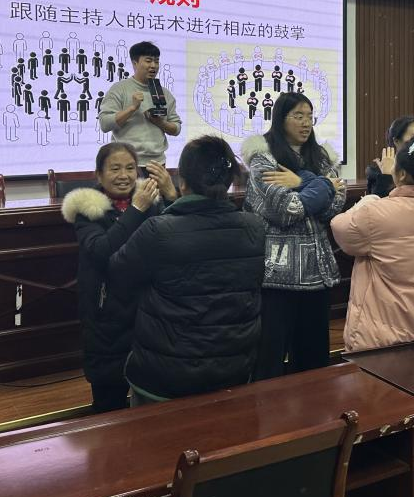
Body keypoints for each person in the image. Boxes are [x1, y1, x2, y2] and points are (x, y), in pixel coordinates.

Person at [109, 137, 266, 405]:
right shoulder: (254, 227)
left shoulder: (158, 231)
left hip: (164, 377)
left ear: (182, 182)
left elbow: (118, 275)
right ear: (228, 181)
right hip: (233, 370)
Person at [61, 143, 176, 413]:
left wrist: (171, 196)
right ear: (99, 175)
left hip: (147, 314)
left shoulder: (151, 202)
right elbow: (101, 251)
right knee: (109, 403)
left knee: (150, 402)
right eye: (115, 169)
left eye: (130, 168)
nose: (124, 175)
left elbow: (176, 236)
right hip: (106, 318)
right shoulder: (88, 209)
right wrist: (136, 209)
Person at [242, 93, 346, 379]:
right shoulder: (263, 159)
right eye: (298, 116)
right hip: (278, 275)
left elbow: (336, 204)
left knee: (314, 363)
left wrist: (301, 182)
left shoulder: (321, 156)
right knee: (270, 360)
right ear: (280, 118)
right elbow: (287, 209)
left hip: (317, 273)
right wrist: (324, 186)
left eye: (310, 116)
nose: (306, 123)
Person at [332, 137, 414, 352]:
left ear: (401, 174)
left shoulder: (374, 213)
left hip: (384, 338)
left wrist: (371, 198)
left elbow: (340, 228)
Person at [98, 41, 181, 167]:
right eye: (148, 61)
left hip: (157, 163)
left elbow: (176, 129)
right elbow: (105, 124)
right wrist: (132, 108)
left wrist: (160, 122)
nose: (153, 66)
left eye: (156, 61)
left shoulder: (164, 93)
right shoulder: (119, 89)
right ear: (134, 63)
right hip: (126, 162)